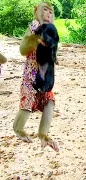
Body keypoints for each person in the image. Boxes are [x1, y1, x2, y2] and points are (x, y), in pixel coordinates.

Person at [13, 2, 59, 152]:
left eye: (51, 12)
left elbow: (51, 50)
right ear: (36, 11)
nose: (48, 14)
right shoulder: (35, 25)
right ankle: (18, 129)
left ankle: (43, 134)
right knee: (27, 105)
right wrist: (34, 40)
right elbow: (22, 49)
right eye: (44, 10)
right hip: (30, 77)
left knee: (49, 102)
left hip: (43, 77)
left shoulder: (51, 30)